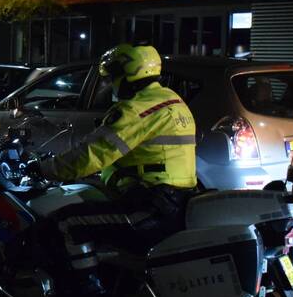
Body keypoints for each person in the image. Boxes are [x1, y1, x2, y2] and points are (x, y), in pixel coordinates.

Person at [35, 43, 197, 277]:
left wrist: (46, 169)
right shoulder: (172, 100)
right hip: (175, 200)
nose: (111, 83)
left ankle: (87, 294)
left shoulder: (136, 109)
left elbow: (92, 154)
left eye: (113, 76)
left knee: (66, 223)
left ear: (128, 74)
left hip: (151, 205)